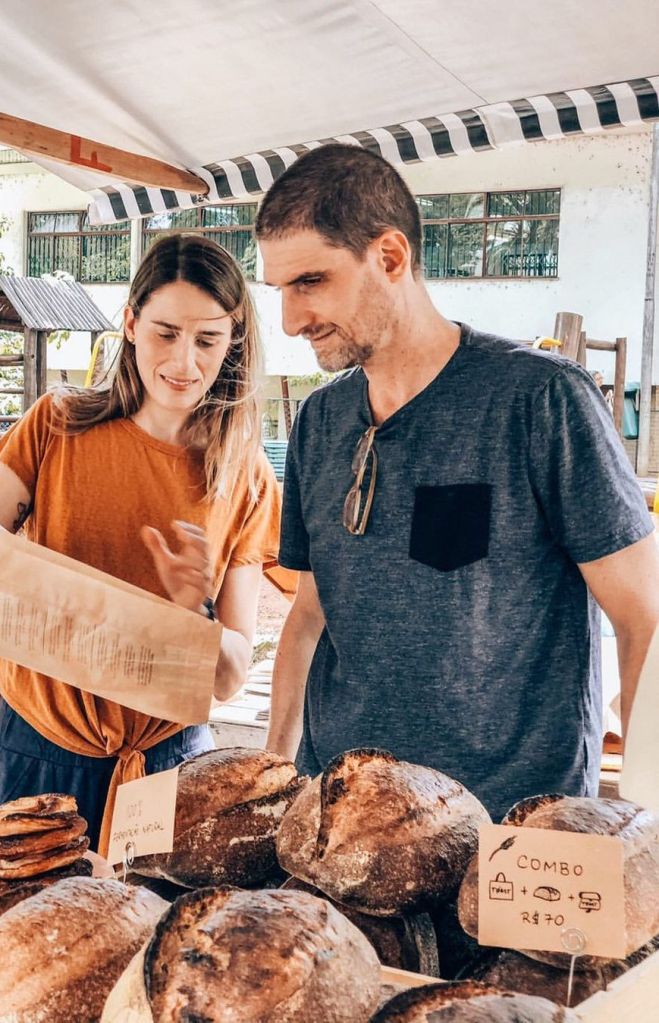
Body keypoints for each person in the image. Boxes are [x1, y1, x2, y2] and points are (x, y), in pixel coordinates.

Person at [256, 143, 659, 821]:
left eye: (309, 283)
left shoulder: (539, 398)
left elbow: (640, 613)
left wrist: (645, 814)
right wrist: (274, 773)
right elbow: (307, 614)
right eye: (280, 290)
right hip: (339, 823)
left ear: (389, 257)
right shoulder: (320, 420)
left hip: (506, 826)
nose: (291, 320)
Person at [0, 234, 280, 854]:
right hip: (35, 742)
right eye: (165, 333)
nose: (185, 362)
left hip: (165, 766)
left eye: (208, 340)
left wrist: (191, 612)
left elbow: (227, 679)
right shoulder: (57, 425)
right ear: (130, 323)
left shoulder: (244, 474)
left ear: (235, 343)